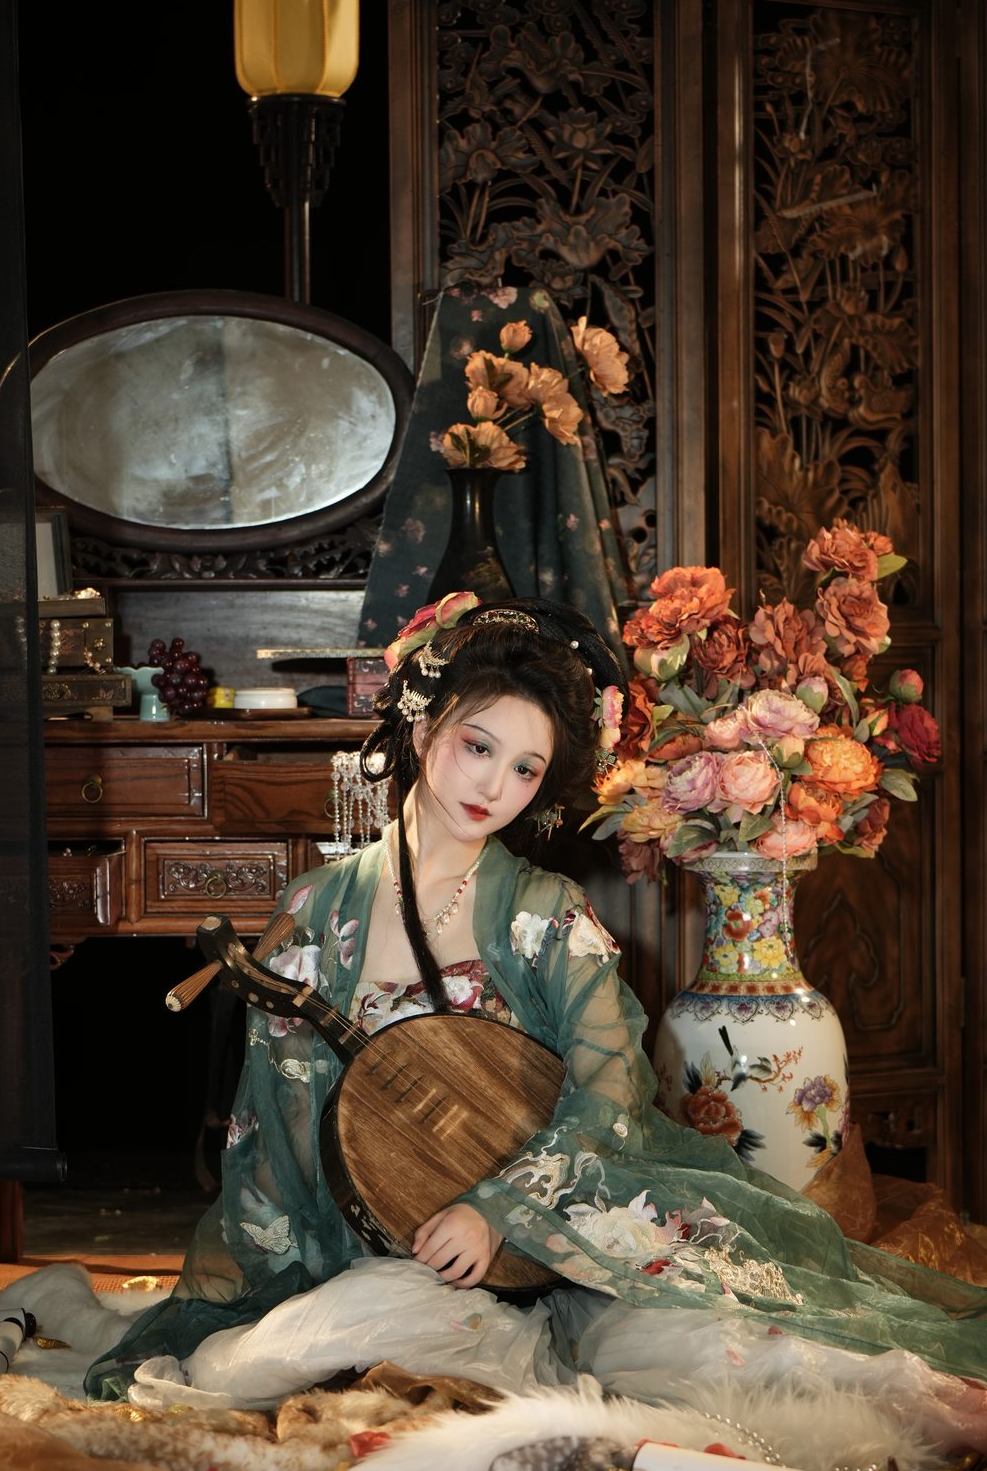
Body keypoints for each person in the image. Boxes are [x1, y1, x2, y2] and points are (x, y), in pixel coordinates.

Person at [85, 597, 986, 1405]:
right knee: (273, 1354)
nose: (493, 787)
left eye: (525, 769)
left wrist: (496, 1211)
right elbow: (275, 1140)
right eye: (478, 747)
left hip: (554, 1238)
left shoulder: (548, 916)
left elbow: (610, 1093)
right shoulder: (316, 912)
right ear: (423, 726)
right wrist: (334, 1253)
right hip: (395, 1250)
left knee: (742, 1355)